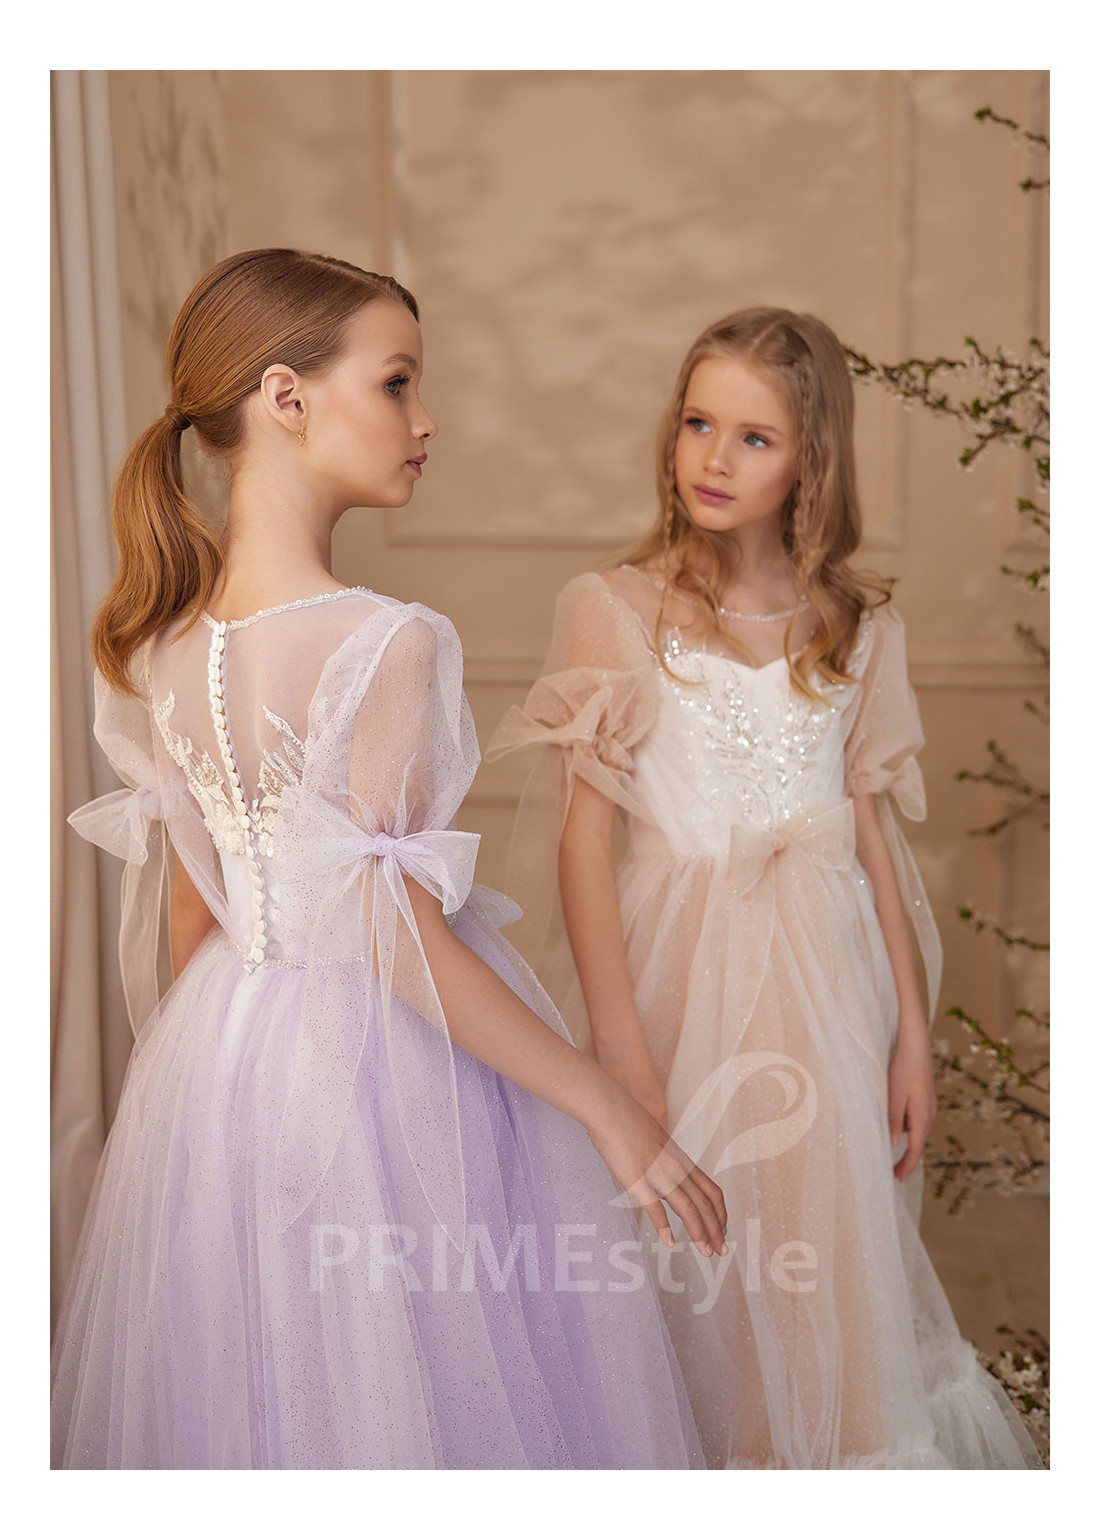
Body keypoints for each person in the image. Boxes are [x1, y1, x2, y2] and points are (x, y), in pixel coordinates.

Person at [51, 248, 729, 1470]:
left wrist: (192, 1108)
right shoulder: (383, 640)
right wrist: (601, 1102)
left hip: (225, 1060)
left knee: (259, 1404)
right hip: (373, 1072)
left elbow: (198, 914)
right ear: (285, 396)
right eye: (397, 382)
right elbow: (391, 935)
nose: (426, 422)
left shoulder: (164, 644)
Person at [486, 307, 1043, 1469]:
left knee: (816, 1258)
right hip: (677, 980)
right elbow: (582, 844)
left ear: (809, 459)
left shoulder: (855, 625)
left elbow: (870, 842)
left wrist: (908, 1038)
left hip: (824, 988)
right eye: (697, 423)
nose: (712, 457)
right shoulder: (618, 608)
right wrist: (618, 1045)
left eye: (753, 437)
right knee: (697, 1265)